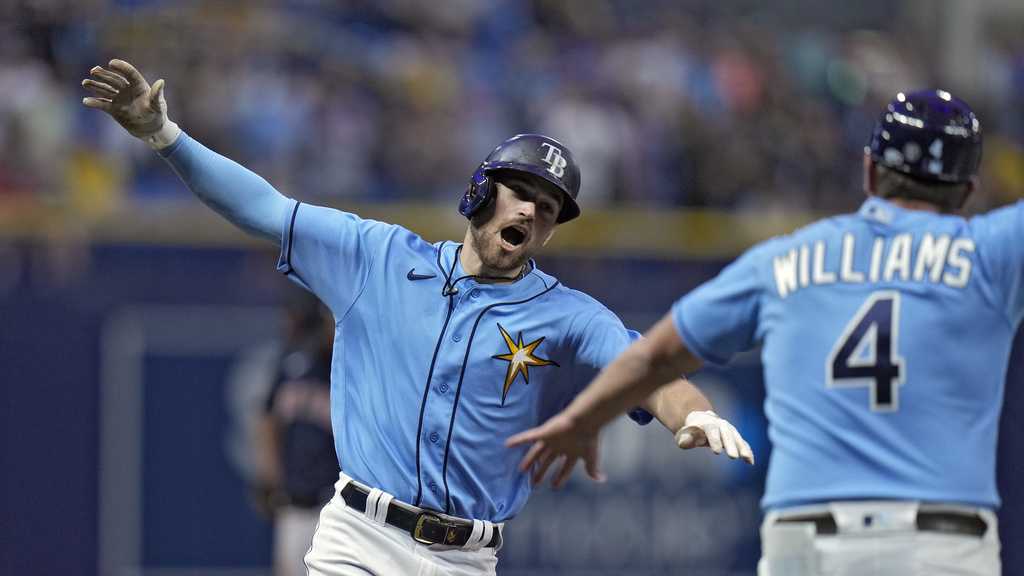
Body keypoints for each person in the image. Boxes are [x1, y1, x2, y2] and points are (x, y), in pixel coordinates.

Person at [82, 59, 753, 576]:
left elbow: (646, 366)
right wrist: (164, 136)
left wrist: (694, 414)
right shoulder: (376, 257)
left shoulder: (563, 313)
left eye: (547, 211)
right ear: (479, 192)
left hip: (467, 557)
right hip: (359, 537)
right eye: (521, 194)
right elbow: (261, 206)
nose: (530, 213)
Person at [509, 90, 1005, 576]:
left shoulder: (785, 259)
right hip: (943, 541)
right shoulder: (993, 252)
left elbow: (655, 357)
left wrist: (583, 420)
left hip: (807, 543)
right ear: (968, 191)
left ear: (870, 171)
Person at [254, 290, 339, 576]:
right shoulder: (290, 365)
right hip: (296, 501)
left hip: (336, 506)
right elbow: (268, 422)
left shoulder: (343, 368)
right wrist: (269, 476)